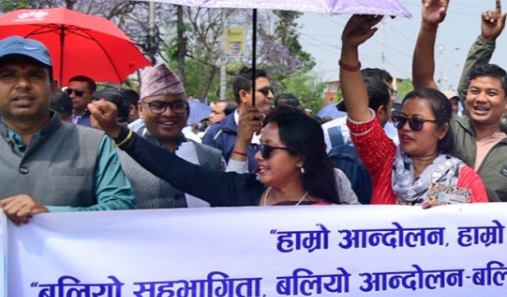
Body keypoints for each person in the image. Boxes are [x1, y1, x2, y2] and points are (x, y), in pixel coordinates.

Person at [339, 15, 488, 205]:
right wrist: (349, 49)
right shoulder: (385, 161)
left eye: (417, 122)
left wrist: (449, 211)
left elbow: (477, 218)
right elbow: (359, 114)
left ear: (442, 130)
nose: (405, 128)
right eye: (400, 120)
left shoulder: (465, 179)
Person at [412, 0, 507, 202]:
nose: (481, 99)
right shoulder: (448, 127)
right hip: (432, 223)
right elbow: (423, 81)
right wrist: (428, 26)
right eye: (475, 91)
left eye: (491, 93)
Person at [92, 103, 349, 207]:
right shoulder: (241, 190)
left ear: (300, 157)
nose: (259, 156)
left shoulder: (334, 215)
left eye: (268, 149)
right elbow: (177, 171)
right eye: (259, 146)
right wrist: (118, 132)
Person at [0, 37, 135, 223]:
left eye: (35, 75)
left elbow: (122, 207)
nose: (23, 84)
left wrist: (51, 214)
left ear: (53, 87)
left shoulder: (93, 143)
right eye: (8, 75)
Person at [117, 64, 225, 209]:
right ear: (141, 109)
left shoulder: (211, 157)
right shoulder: (119, 158)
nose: (168, 113)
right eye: (158, 105)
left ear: (187, 110)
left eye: (177, 105)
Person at [202, 66, 275, 170]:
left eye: (271, 90)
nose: (271, 96)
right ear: (243, 95)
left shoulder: (276, 130)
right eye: (264, 91)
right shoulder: (216, 134)